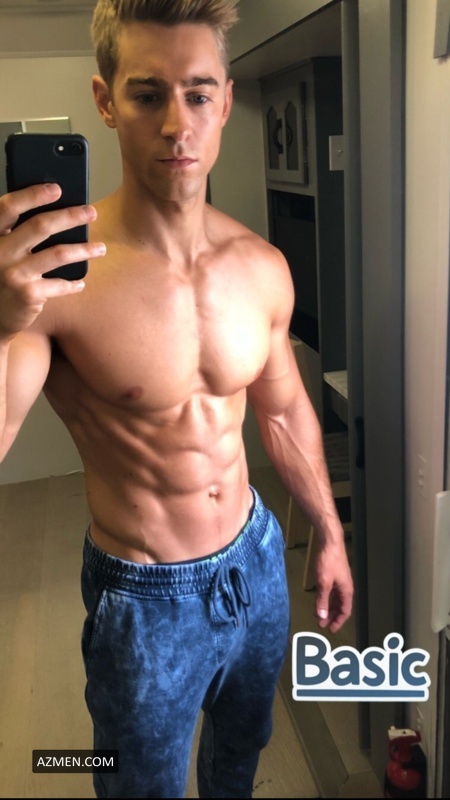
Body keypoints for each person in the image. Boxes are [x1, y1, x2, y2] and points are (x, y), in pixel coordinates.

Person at [0, 0, 353, 796]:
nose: (175, 124)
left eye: (197, 94)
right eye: (147, 94)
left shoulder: (261, 266)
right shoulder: (56, 284)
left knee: (242, 753)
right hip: (144, 595)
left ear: (224, 101)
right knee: (135, 781)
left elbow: (284, 412)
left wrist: (328, 534)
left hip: (256, 560)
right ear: (105, 101)